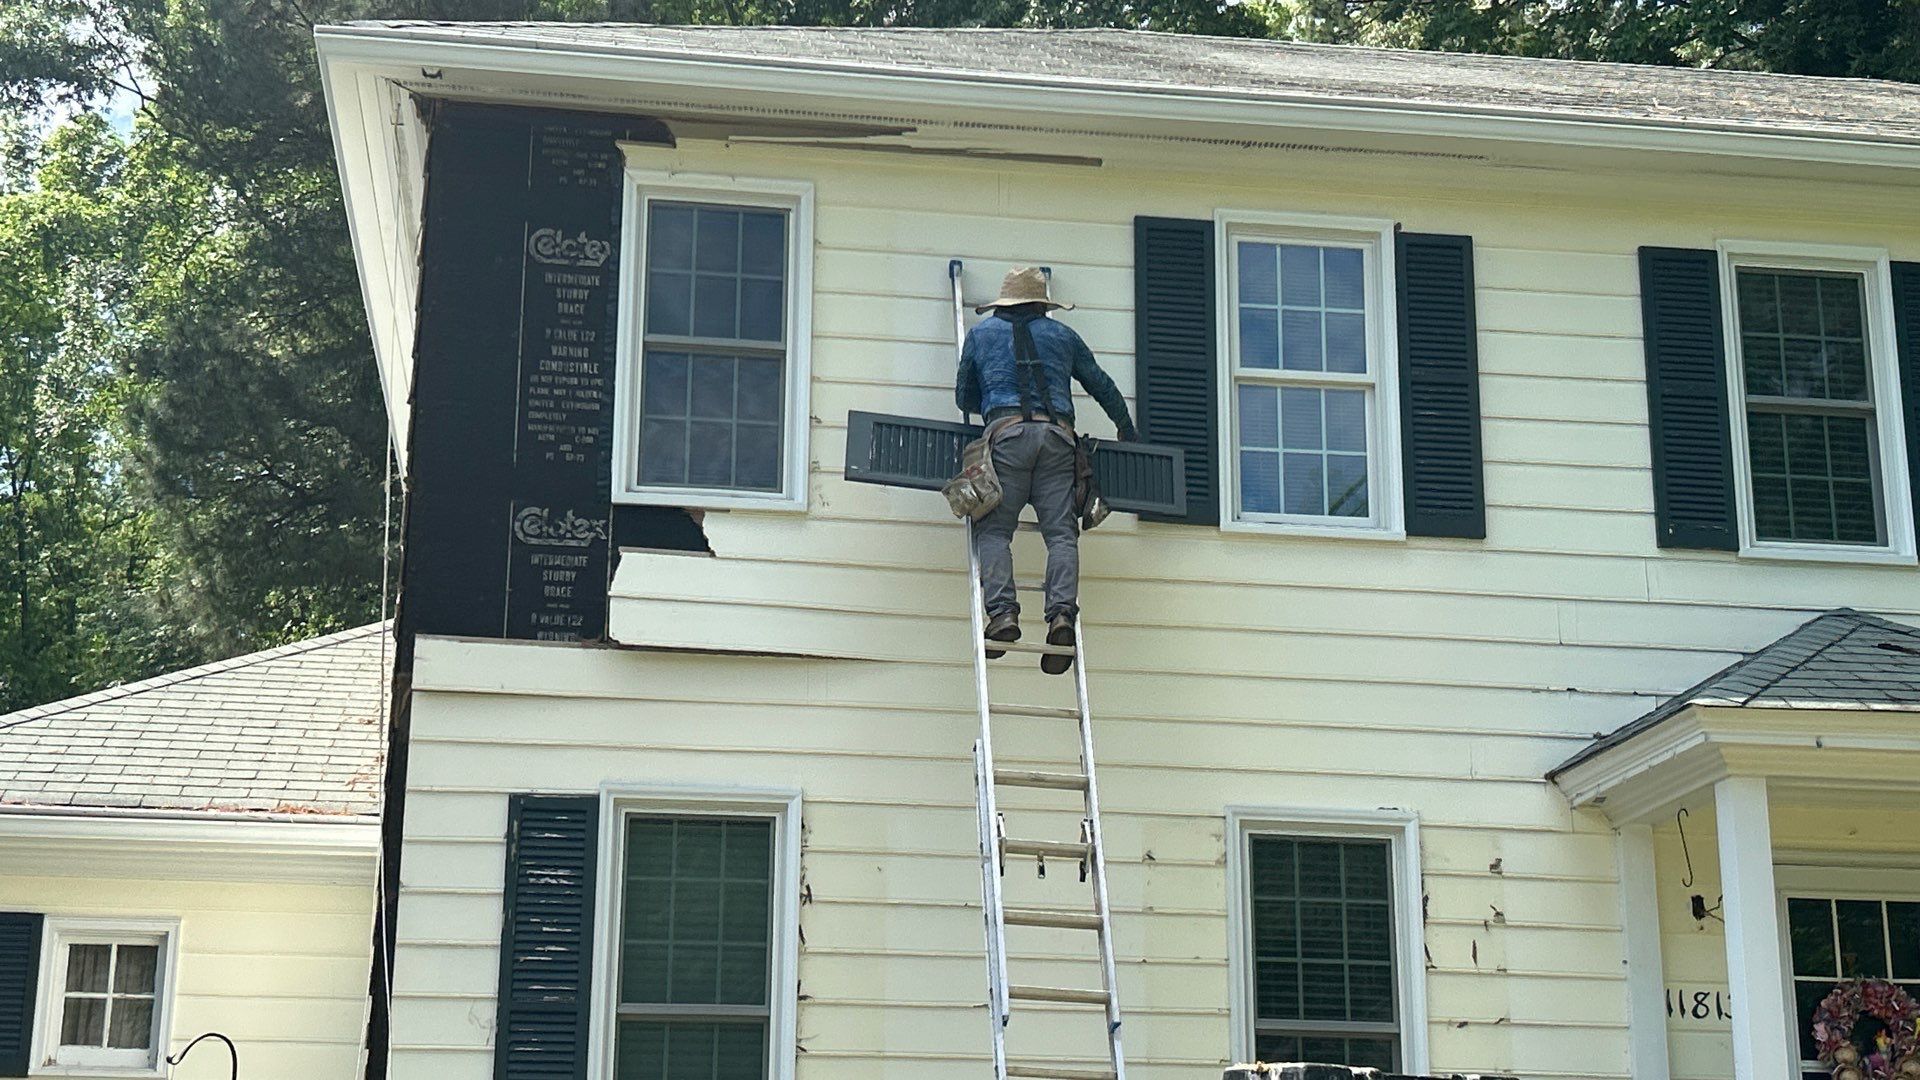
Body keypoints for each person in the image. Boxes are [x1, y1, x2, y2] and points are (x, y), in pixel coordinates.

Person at [956, 266, 1138, 674]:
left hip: (1006, 439)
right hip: (1059, 441)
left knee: (995, 530)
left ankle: (1003, 614)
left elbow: (962, 395)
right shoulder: (1063, 336)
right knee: (1060, 534)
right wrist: (1126, 428)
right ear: (1041, 304)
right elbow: (1101, 384)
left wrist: (992, 398)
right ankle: (1060, 617)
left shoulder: (981, 336)